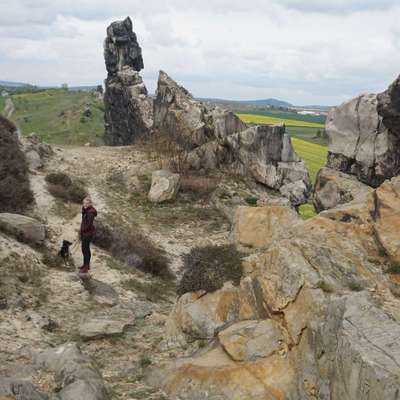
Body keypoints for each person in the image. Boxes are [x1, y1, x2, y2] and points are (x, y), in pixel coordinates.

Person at [79, 197, 97, 274]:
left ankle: (86, 267)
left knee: (85, 250)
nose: (85, 205)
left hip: (87, 233)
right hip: (85, 233)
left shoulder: (90, 213)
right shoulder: (86, 210)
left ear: (90, 204)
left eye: (86, 203)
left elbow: (88, 225)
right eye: (84, 203)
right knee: (85, 249)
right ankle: (85, 265)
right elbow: (84, 221)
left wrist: (82, 231)